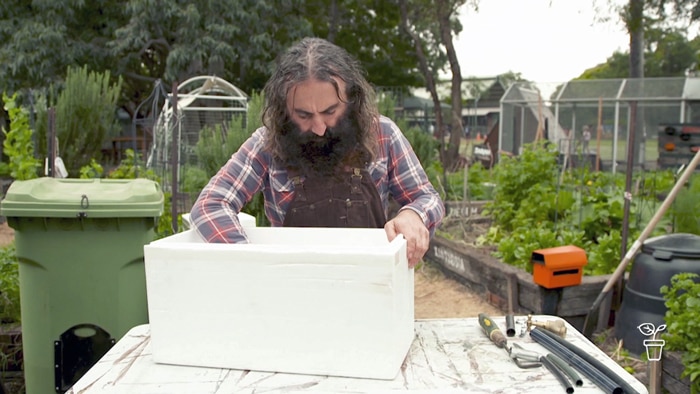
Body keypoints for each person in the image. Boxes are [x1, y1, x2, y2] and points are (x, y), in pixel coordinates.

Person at [189, 37, 445, 268]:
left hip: (373, 285)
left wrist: (413, 215)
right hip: (294, 288)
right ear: (284, 110)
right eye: (303, 115)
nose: (320, 128)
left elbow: (427, 198)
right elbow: (211, 205)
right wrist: (253, 263)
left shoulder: (383, 134)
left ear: (352, 100)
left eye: (330, 112)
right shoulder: (267, 144)